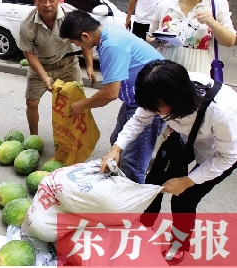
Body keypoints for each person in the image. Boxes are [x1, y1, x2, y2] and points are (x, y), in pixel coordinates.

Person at [100, 60, 237, 264]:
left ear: (175, 100)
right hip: (184, 137)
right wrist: (116, 148)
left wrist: (188, 180)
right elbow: (139, 119)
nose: (154, 113)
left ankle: (179, 246)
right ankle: (143, 229)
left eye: (158, 109)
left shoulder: (221, 111)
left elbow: (228, 157)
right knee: (154, 183)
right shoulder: (160, 91)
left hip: (221, 152)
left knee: (183, 199)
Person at [59, 9, 164, 184]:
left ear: (85, 36)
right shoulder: (108, 36)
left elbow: (110, 93)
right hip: (134, 101)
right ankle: (120, 182)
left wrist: (82, 104)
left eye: (74, 42)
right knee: (116, 141)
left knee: (133, 161)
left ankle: (133, 201)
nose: (77, 46)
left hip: (150, 105)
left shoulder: (111, 45)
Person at [18, 0, 95, 136]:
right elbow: (29, 53)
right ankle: (34, 137)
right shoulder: (27, 24)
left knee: (74, 102)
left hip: (67, 65)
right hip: (40, 65)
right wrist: (44, 77)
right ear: (35, 1)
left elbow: (85, 41)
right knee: (31, 102)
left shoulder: (70, 16)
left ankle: (71, 138)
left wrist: (89, 67)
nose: (47, 4)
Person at [147, 0, 236, 77]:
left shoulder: (216, 5)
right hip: (165, 74)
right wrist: (155, 41)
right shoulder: (165, 5)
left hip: (198, 76)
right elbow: (150, 36)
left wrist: (212, 23)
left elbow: (230, 41)